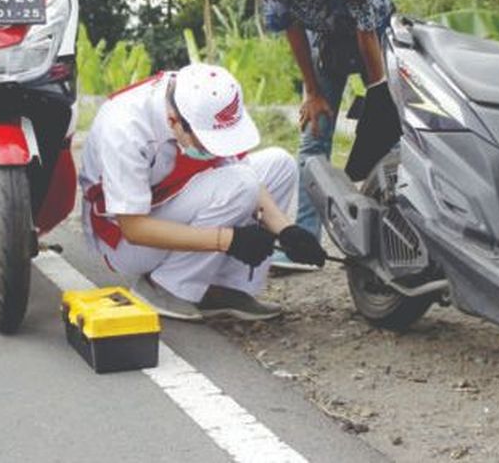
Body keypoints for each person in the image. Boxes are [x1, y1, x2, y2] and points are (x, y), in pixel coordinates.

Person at [79, 63, 328, 321]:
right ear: (174, 121)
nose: (215, 150)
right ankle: (165, 288)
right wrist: (229, 240)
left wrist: (287, 230)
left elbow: (243, 171)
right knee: (240, 185)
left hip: (169, 202)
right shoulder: (123, 127)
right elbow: (134, 228)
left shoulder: (201, 100)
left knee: (280, 164)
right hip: (123, 240)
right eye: (208, 143)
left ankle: (225, 288)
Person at [255, 0, 402, 270]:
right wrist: (313, 93)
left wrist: (379, 93)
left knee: (393, 137)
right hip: (326, 43)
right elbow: (292, 29)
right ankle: (303, 246)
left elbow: (366, 31)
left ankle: (395, 234)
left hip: (379, 39)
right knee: (313, 136)